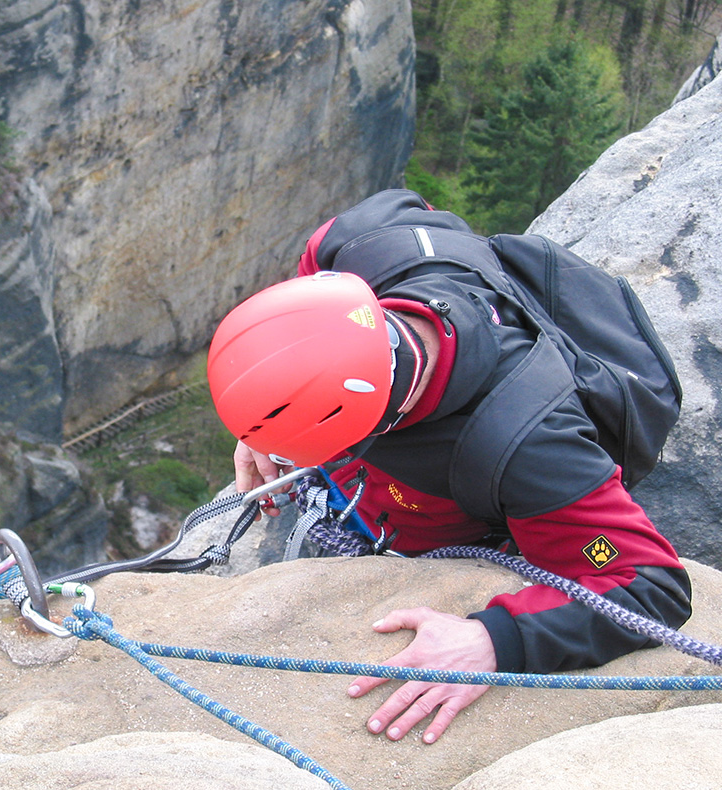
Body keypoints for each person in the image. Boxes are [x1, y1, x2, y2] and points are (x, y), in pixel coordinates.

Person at [207, 196, 691, 745]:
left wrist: (496, 640)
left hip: (456, 518)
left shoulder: (526, 449)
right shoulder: (366, 244)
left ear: (364, 432)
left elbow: (651, 587)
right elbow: (313, 305)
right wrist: (272, 415)